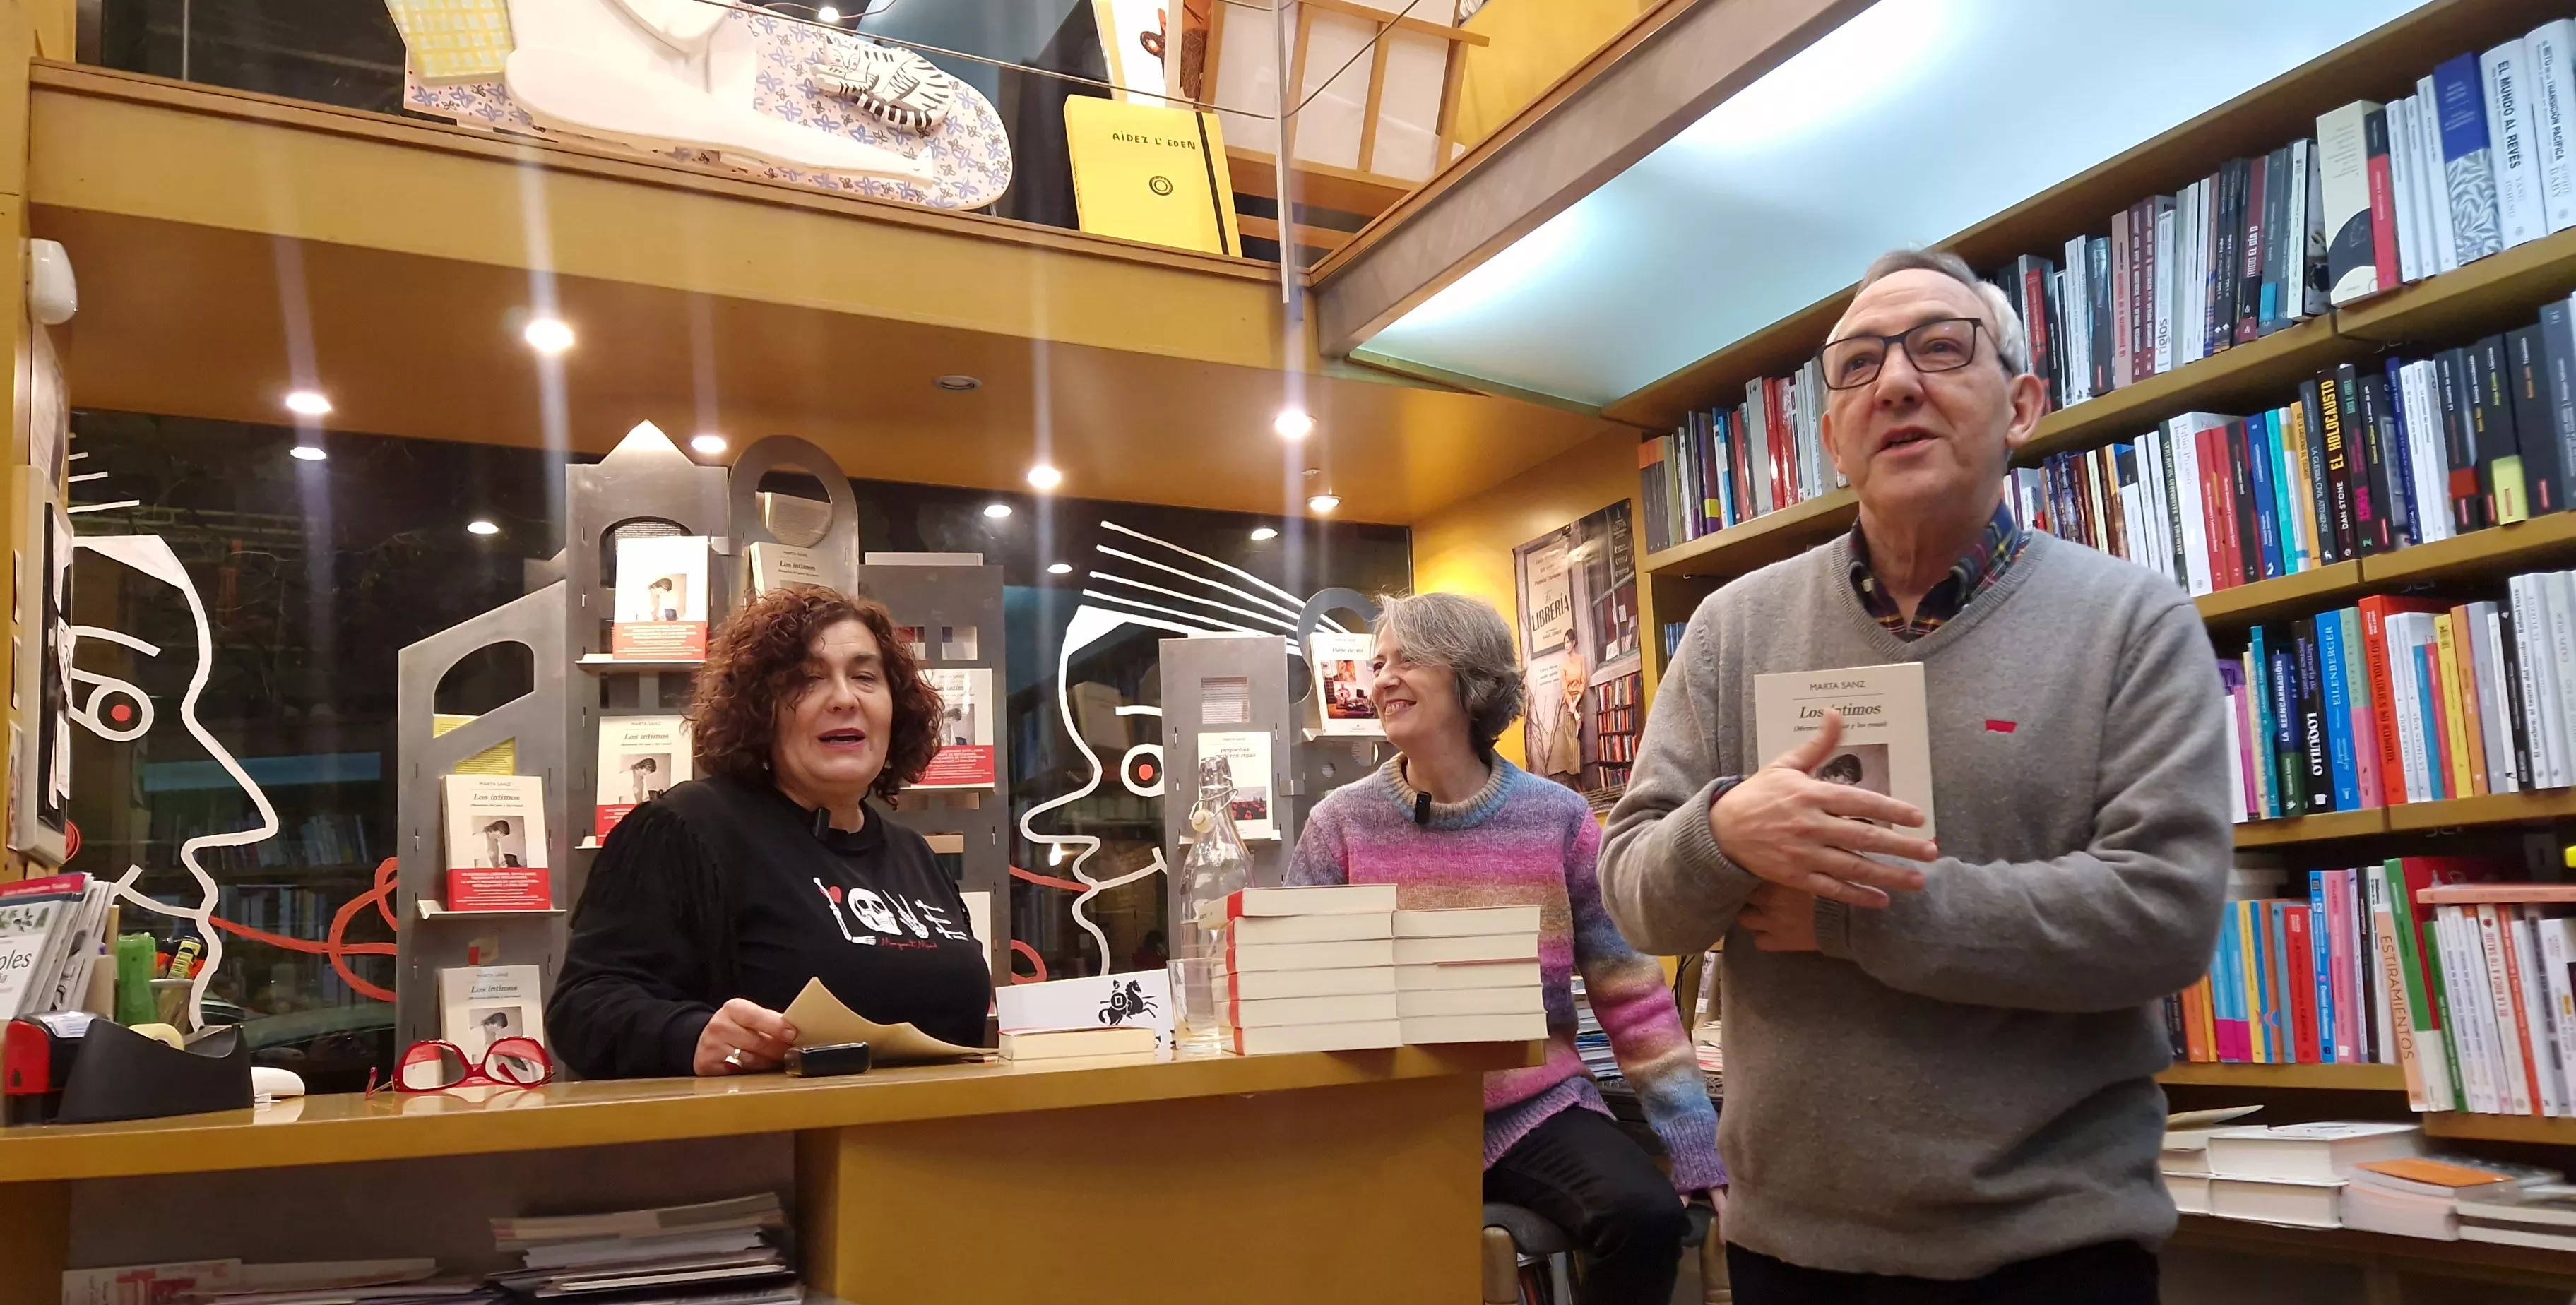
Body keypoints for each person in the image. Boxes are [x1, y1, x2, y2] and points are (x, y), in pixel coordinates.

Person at [1600, 249, 2228, 1302]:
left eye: (1940, 348)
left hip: (2050, 1249)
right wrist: (1725, 831)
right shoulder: (1731, 628)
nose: (1895, 382)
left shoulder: (2131, 623)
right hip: (1787, 1249)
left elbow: (2162, 917)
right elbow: (1633, 894)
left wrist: (1865, 917)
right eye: (1855, 366)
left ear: (2019, 404)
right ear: (1832, 436)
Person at [1289, 592, 1722, 1305]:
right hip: (1386, 1113)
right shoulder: (1339, 824)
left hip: (1533, 1109)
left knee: (1643, 1218)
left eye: (1407, 660)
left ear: (1472, 680)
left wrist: (1691, 1139)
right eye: (1377, 663)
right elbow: (1299, 993)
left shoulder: (1557, 817)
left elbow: (1629, 993)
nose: (1381, 678)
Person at [549, 585, 992, 1078]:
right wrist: (690, 1035)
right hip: (773, 1148)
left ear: (896, 707)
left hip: (937, 1142)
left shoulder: (914, 855)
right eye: (807, 680)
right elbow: (583, 1007)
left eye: (865, 677)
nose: (844, 699)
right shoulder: (688, 828)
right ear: (761, 710)